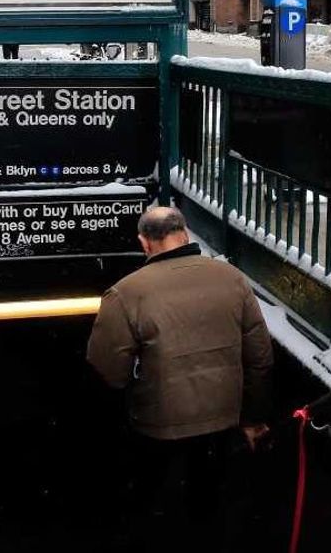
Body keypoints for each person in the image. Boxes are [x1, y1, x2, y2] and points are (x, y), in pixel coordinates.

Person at [87, 207, 273, 552]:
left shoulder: (125, 293)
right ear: (184, 234)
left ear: (144, 243)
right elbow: (260, 356)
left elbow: (108, 371)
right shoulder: (232, 278)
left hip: (157, 425)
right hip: (223, 420)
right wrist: (253, 418)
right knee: (211, 504)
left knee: (155, 506)